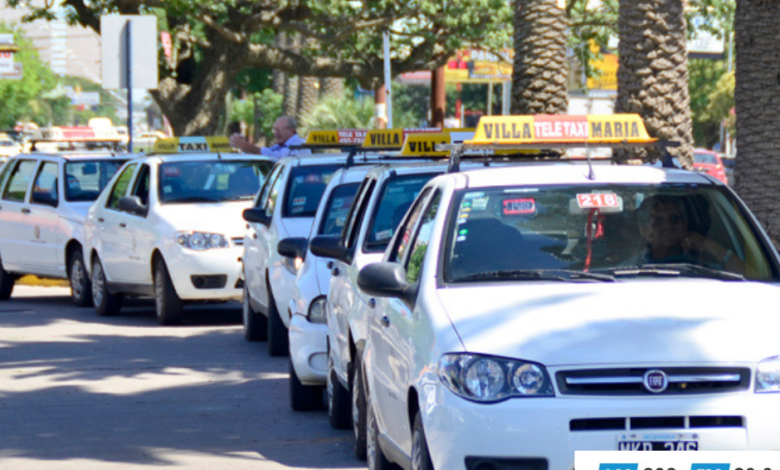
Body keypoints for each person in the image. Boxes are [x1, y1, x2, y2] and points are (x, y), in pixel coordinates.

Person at [625, 195, 742, 271]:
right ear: (643, 229)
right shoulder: (629, 269)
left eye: (674, 219)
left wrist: (709, 246)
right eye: (658, 221)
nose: (667, 226)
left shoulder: (702, 264)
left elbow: (751, 275)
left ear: (685, 224)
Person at [229, 116, 310, 161]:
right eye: (274, 130)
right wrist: (243, 147)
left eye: (280, 129)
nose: (276, 133)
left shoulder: (299, 145)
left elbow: (275, 157)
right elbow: (263, 156)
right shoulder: (281, 146)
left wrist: (245, 145)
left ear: (291, 130)